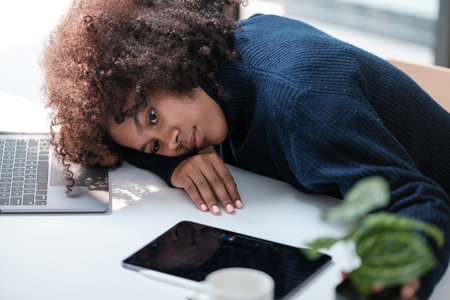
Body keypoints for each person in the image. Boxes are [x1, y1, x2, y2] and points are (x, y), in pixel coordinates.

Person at [40, 0, 449, 299]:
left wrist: (393, 281)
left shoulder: (301, 104)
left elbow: (422, 199)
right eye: (155, 144)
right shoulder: (228, 58)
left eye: (152, 117)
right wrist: (173, 167)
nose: (173, 143)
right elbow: (129, 144)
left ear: (164, 63)